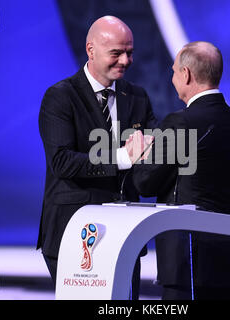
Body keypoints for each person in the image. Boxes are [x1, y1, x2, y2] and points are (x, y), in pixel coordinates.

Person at [37, 16, 157, 299]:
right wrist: (122, 157)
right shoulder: (60, 97)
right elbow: (63, 162)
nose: (125, 61)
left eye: (130, 52)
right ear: (91, 50)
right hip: (74, 235)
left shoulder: (137, 96)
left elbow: (152, 150)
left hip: (126, 234)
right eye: (116, 53)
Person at [133, 41, 230, 300]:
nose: (173, 77)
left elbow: (146, 182)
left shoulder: (180, 122)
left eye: (174, 71)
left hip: (189, 263)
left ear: (186, 74)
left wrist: (140, 153)